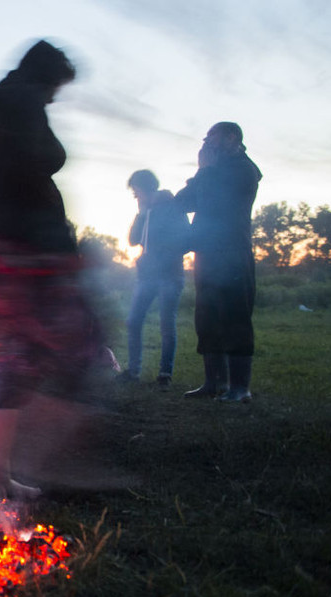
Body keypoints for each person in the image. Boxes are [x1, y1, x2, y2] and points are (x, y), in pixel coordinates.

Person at [0, 40, 99, 501]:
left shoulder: (4, 116)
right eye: (56, 87)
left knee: (12, 361)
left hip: (1, 261)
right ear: (46, 78)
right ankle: (55, 464)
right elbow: (44, 159)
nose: (56, 97)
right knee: (57, 353)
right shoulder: (23, 108)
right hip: (21, 263)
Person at [175, 122, 262, 403]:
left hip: (233, 253)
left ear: (231, 137)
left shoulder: (244, 171)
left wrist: (206, 171)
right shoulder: (210, 171)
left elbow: (215, 202)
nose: (206, 142)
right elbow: (183, 202)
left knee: (236, 318)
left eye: (211, 137)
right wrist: (203, 171)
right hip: (207, 254)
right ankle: (214, 384)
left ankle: (240, 389)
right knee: (207, 317)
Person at [117, 170, 190, 389]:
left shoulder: (173, 206)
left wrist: (163, 255)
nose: (134, 196)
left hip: (170, 274)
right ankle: (134, 371)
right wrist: (141, 215)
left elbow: (185, 239)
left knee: (167, 324)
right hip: (147, 276)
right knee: (133, 321)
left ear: (145, 188)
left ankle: (165, 374)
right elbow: (132, 240)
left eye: (136, 191)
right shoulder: (144, 211)